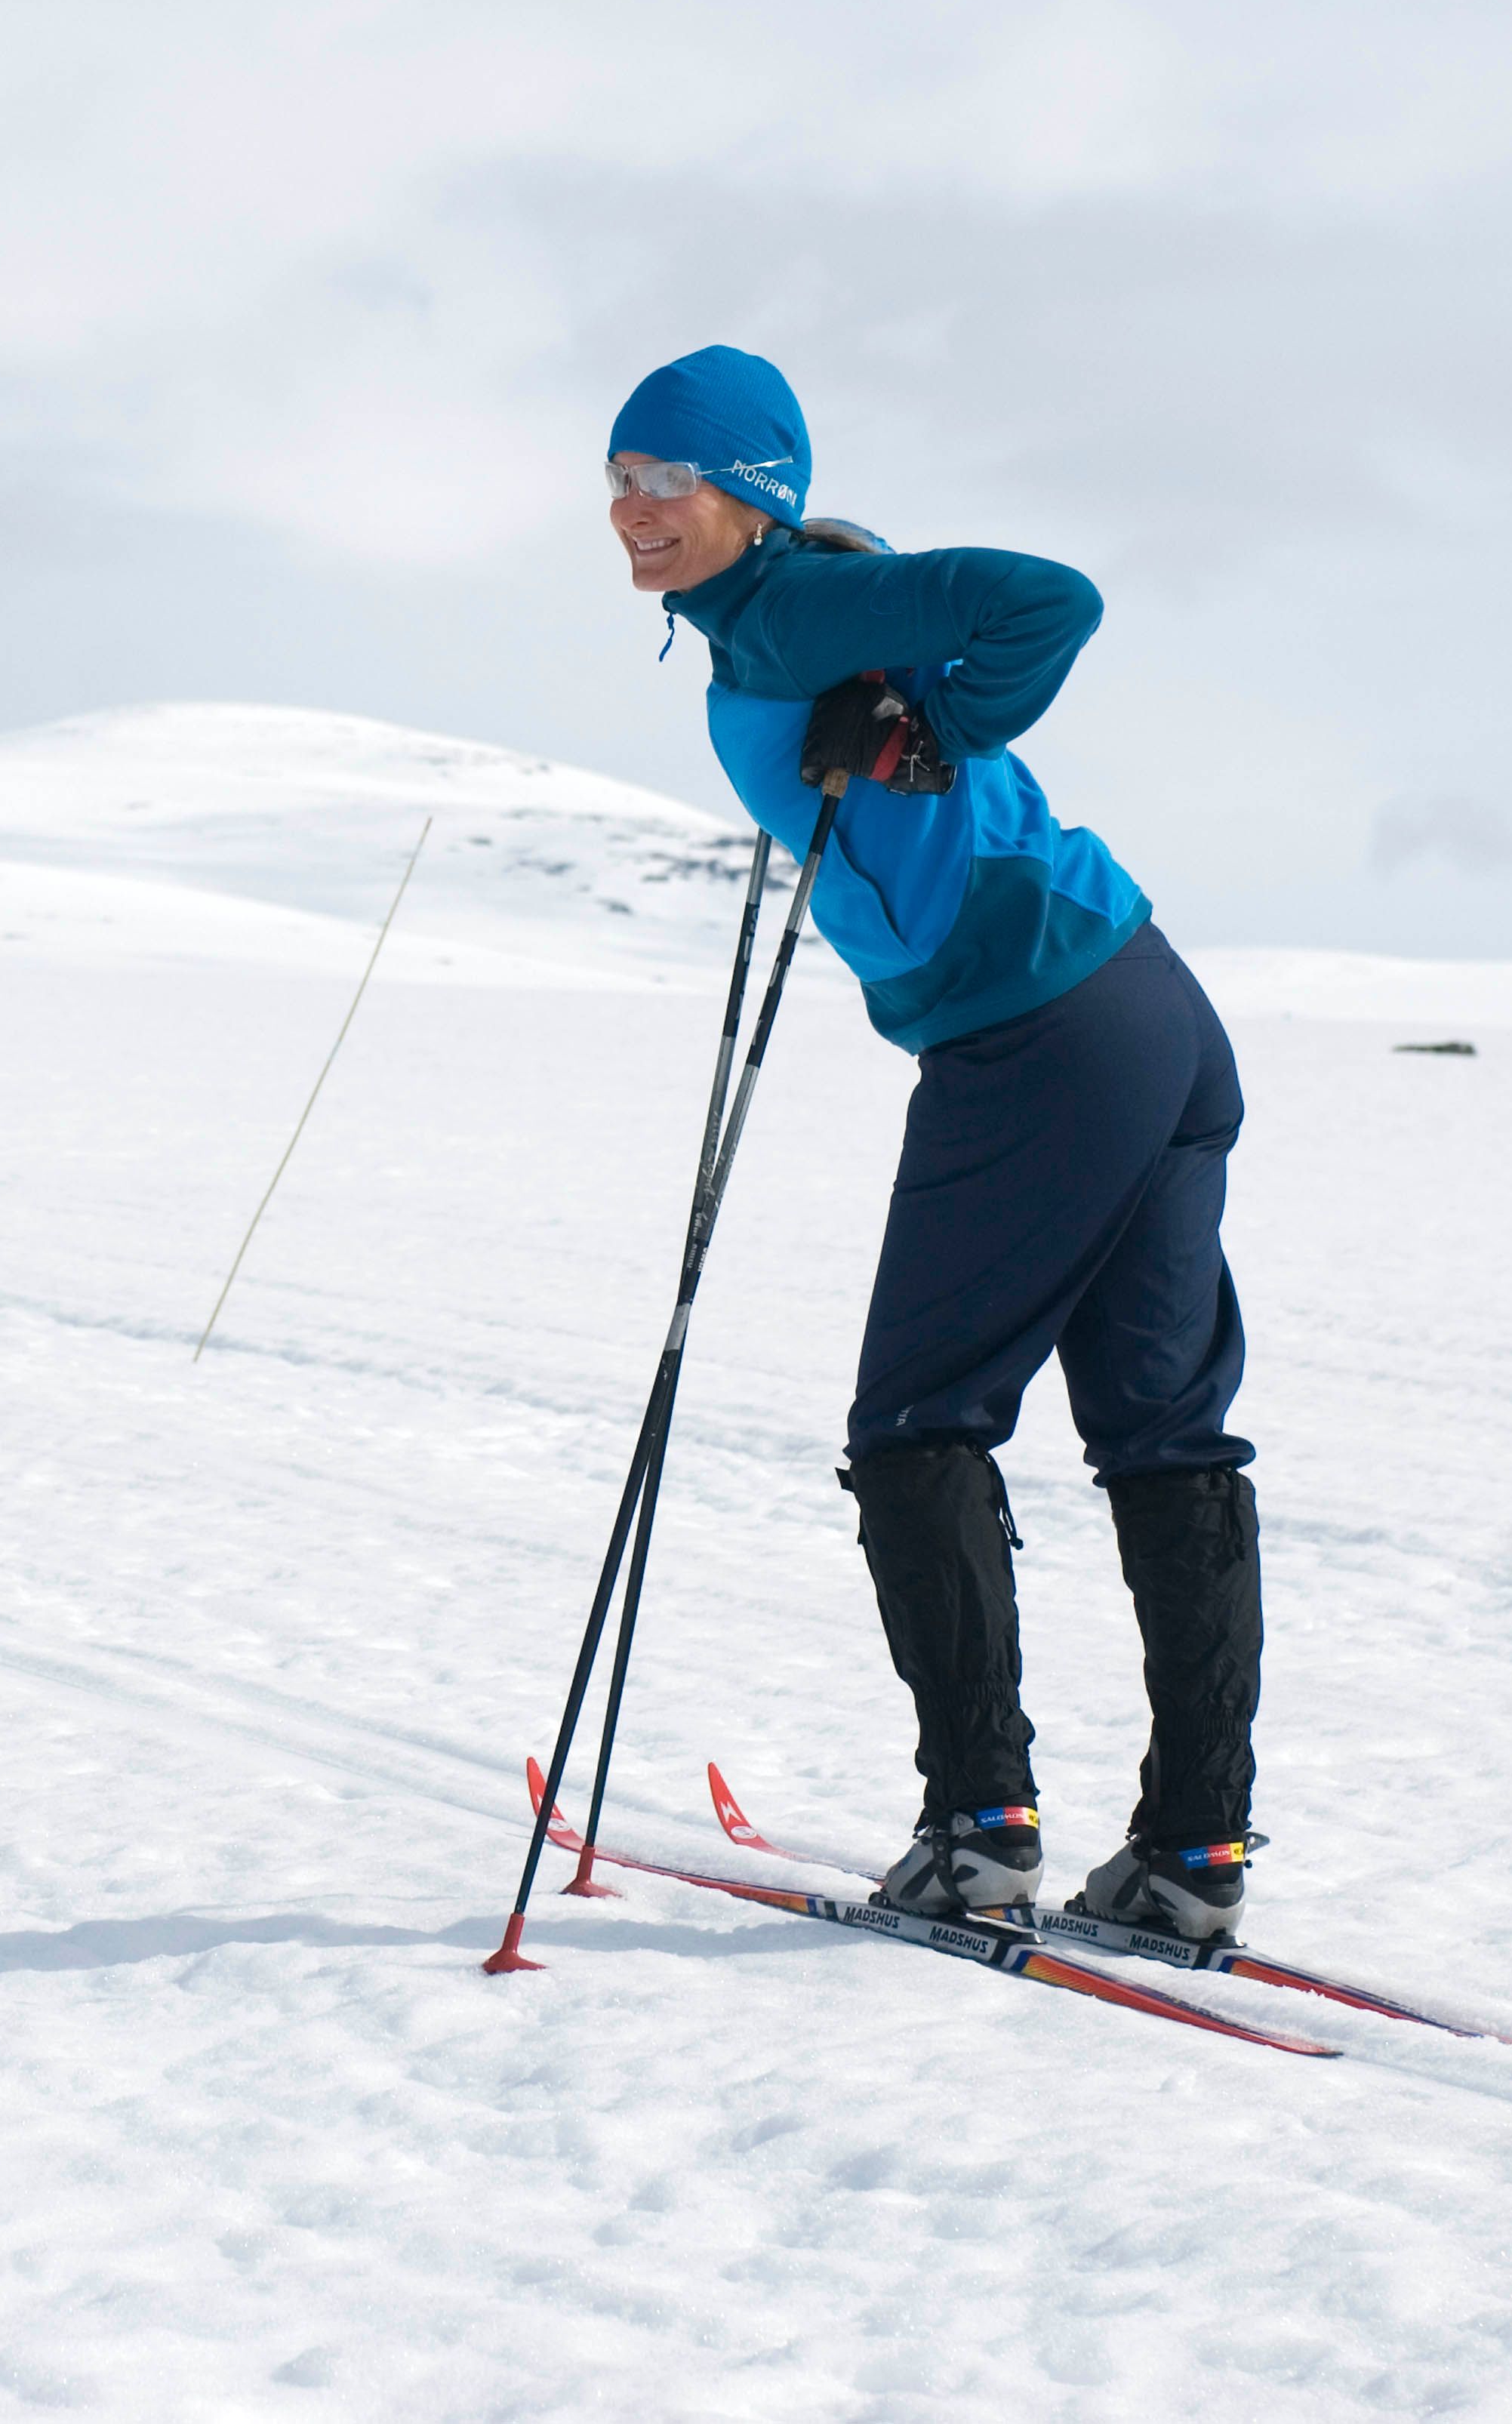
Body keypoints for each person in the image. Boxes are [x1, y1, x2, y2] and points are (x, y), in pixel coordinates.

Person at [607, 343, 1266, 1942]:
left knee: (915, 1419)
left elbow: (1050, 599)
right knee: (1162, 1438)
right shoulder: (794, 610)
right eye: (619, 482)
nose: (636, 515)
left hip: (1039, 1033)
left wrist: (939, 720)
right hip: (1145, 1006)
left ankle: (979, 1826)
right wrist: (907, 717)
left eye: (668, 485)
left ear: (750, 494)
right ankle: (1192, 1854)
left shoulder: (791, 606)